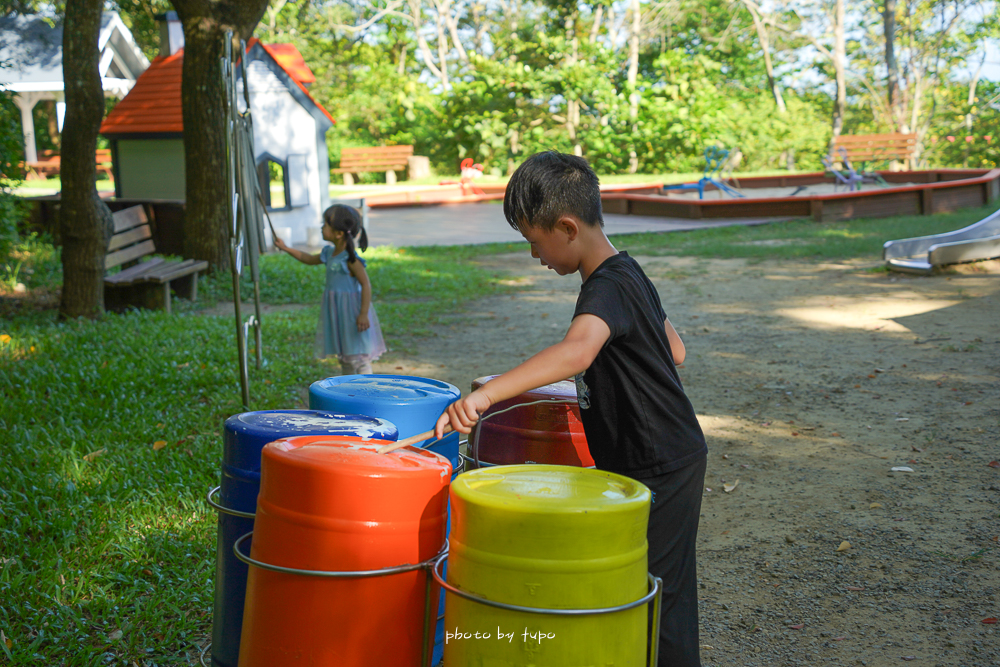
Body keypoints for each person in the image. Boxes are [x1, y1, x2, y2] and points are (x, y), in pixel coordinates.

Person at [434, 151, 708, 667]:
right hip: (661, 454)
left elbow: (578, 351)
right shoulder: (627, 272)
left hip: (660, 461)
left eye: (534, 242)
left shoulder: (605, 286)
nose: (534, 255)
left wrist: (488, 395)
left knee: (654, 596)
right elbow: (676, 350)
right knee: (652, 586)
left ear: (565, 226)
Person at [273, 204, 386, 374]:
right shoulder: (328, 253)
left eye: (325, 225)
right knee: (345, 355)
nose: (321, 228)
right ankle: (349, 390)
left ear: (339, 233)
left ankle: (366, 389)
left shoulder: (351, 260)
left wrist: (363, 313)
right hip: (337, 311)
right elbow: (309, 258)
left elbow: (366, 284)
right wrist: (286, 248)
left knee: (358, 356)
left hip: (352, 313)